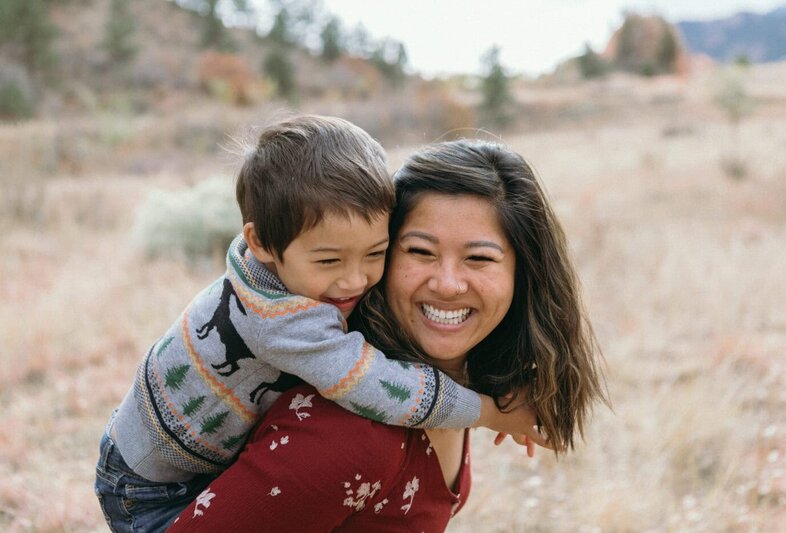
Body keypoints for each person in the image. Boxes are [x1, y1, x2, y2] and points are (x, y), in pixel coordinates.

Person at [94, 118, 544, 533]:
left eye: (374, 254)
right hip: (150, 488)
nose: (353, 280)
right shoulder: (284, 322)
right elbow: (373, 384)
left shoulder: (287, 266)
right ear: (262, 242)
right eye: (330, 259)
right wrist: (487, 410)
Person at [168, 139, 608, 532]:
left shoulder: (446, 382)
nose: (448, 284)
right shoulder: (355, 435)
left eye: (479, 258)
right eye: (420, 251)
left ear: (522, 275)